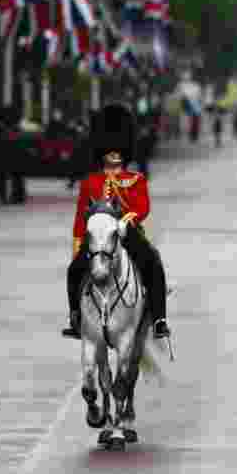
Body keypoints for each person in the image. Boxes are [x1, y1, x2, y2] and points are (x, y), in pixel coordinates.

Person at [62, 104, 171, 341]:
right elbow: (81, 216)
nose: (114, 154)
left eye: (118, 149)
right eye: (109, 150)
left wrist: (128, 221)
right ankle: (75, 317)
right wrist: (78, 245)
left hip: (127, 232)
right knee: (74, 271)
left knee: (153, 263)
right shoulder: (91, 181)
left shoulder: (135, 179)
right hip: (97, 236)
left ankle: (159, 319)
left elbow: (143, 207)